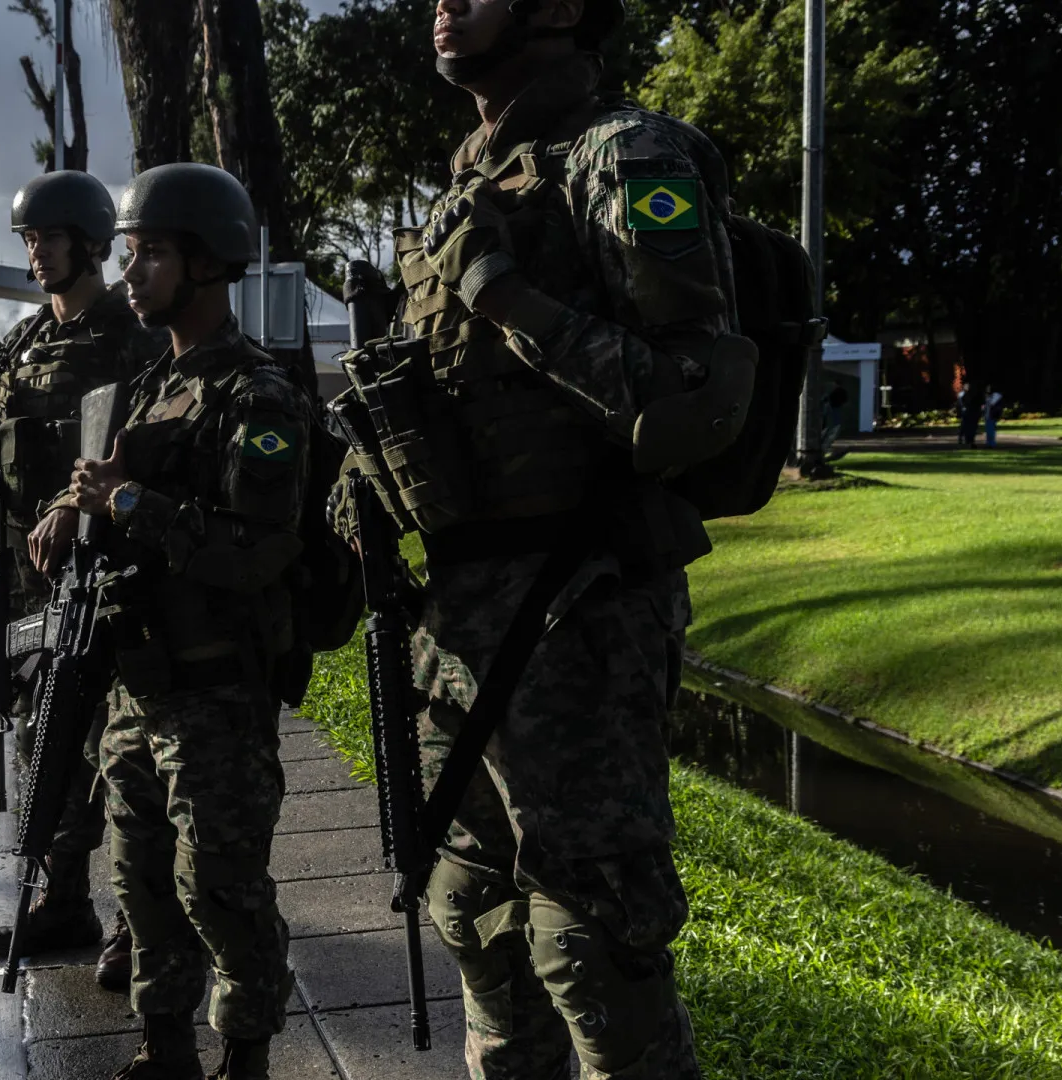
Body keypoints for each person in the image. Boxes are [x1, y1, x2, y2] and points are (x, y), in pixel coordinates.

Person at [323, 0, 735, 1074]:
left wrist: (505, 295)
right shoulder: (466, 183)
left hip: (579, 608)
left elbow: (691, 401)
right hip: (458, 623)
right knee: (470, 907)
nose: (443, 6)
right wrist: (366, 488)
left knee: (592, 939)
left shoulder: (625, 153)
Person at [43, 162, 313, 1079]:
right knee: (143, 884)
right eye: (128, 253)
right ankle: (164, 1048)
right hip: (137, 682)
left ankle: (245, 1056)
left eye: (151, 252)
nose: (130, 272)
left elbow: (256, 552)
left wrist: (125, 507)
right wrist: (74, 508)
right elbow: (110, 485)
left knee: (222, 889)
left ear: (207, 261)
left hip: (214, 691)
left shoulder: (258, 395)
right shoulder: (152, 382)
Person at [0, 169, 163, 992]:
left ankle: (140, 929)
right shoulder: (16, 348)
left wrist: (77, 502)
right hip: (30, 592)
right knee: (45, 752)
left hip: (110, 579)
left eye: (49, 238)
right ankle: (64, 900)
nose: (36, 253)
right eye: (29, 239)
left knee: (124, 761)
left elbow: (145, 437)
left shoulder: (131, 338)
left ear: (92, 243)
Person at [955, 381, 983, 448]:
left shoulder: (967, 395)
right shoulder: (966, 394)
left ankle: (969, 440)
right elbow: (960, 404)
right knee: (969, 427)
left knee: (969, 427)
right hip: (971, 413)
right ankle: (969, 440)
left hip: (970, 413)